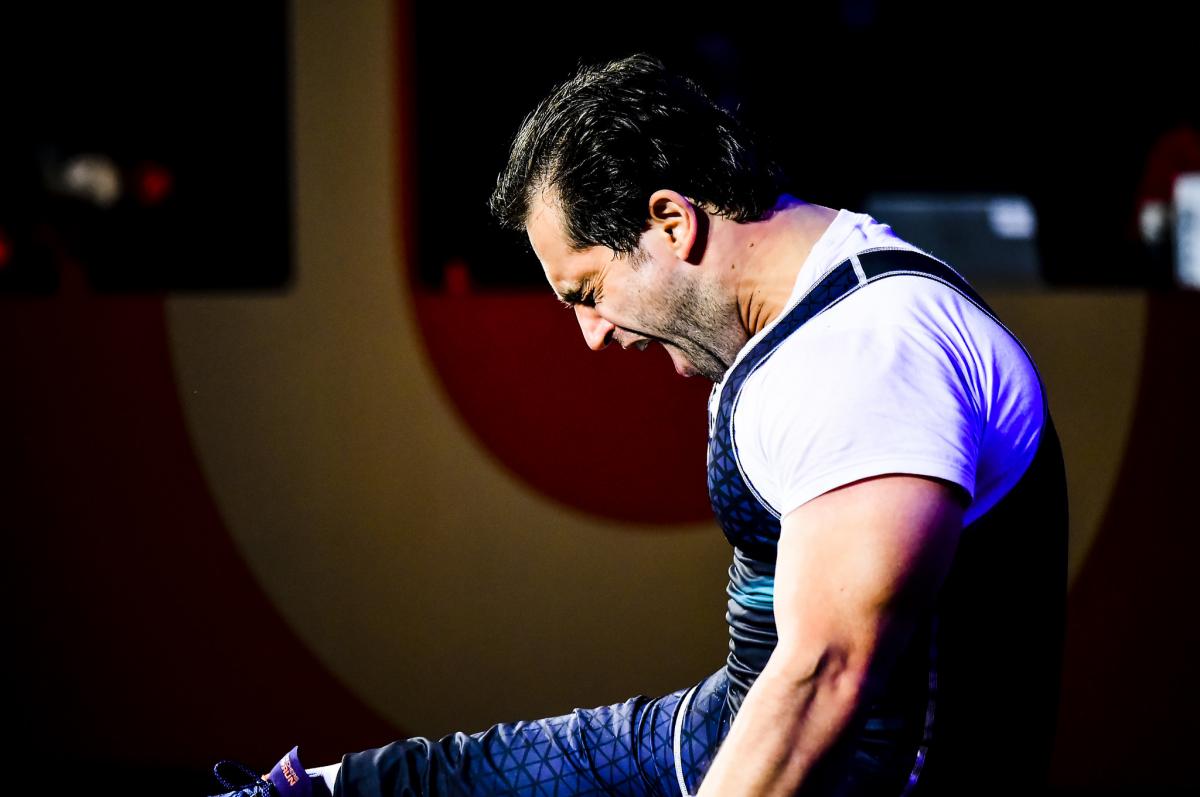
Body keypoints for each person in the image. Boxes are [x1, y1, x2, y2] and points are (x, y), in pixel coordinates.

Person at [212, 54, 1067, 797]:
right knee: (390, 783)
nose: (593, 334)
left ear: (672, 221)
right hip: (719, 737)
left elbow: (822, 679)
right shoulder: (818, 317)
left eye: (587, 292)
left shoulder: (864, 354)